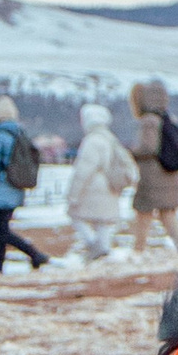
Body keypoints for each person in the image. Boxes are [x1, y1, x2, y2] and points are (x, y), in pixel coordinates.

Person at [0, 96, 49, 275]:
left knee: (1, 231)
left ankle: (34, 254)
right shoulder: (19, 134)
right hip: (15, 188)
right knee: (2, 230)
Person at [126, 79, 178, 263]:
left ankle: (138, 250)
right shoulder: (168, 118)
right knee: (168, 215)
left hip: (152, 177)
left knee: (143, 213)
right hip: (169, 175)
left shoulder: (148, 121)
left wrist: (132, 152)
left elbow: (148, 148)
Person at [64, 102, 137, 262]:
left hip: (94, 187)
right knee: (103, 221)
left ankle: (94, 246)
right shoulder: (111, 139)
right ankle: (103, 249)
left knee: (76, 215)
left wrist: (73, 194)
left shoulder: (92, 141)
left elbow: (83, 171)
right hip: (110, 185)